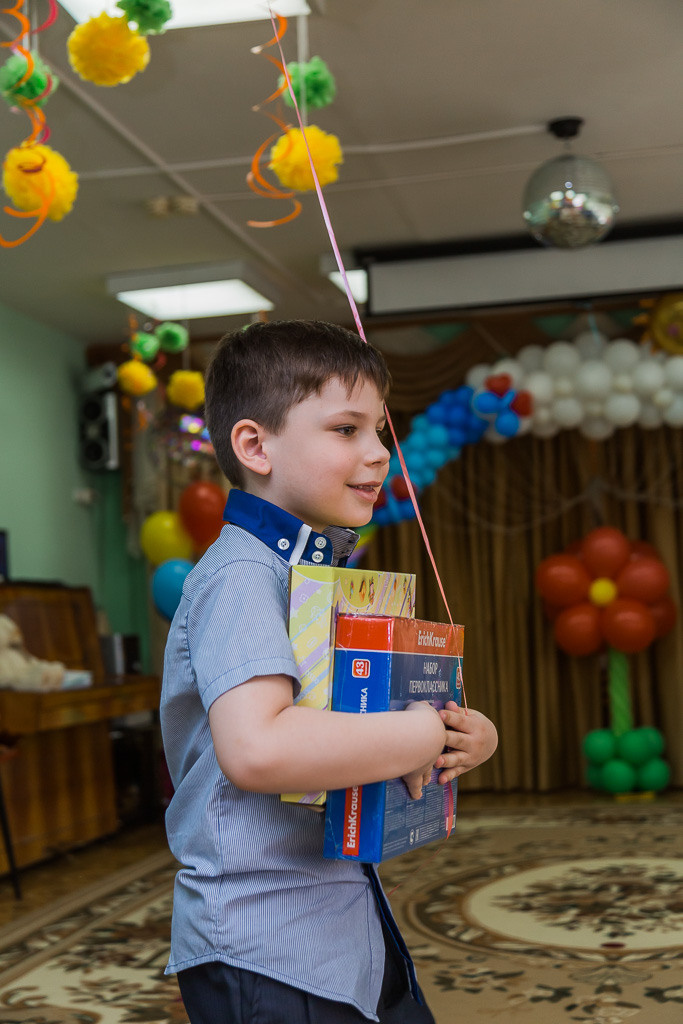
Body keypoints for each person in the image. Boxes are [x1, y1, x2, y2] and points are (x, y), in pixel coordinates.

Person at [160, 319, 498, 1024]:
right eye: (346, 430)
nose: (379, 455)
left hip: (338, 918)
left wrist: (459, 732)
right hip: (263, 943)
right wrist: (415, 736)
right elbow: (260, 749)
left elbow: (354, 724)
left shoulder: (314, 572)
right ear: (254, 445)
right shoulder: (243, 576)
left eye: (380, 431)